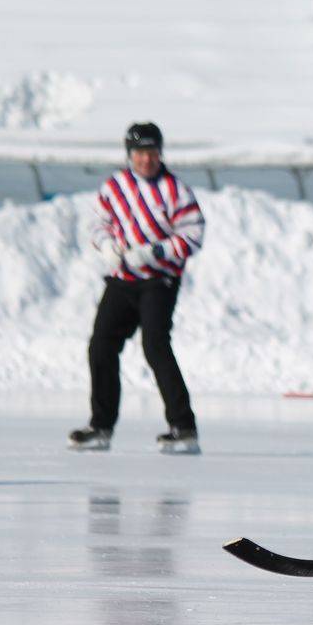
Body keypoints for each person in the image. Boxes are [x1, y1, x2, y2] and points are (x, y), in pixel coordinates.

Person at [68, 122, 205, 454]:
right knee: (101, 345)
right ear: (130, 155)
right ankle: (101, 426)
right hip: (123, 279)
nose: (147, 159)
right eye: (140, 153)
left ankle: (183, 426)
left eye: (152, 152)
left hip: (159, 281)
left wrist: (156, 251)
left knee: (155, 345)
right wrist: (107, 246)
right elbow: (97, 223)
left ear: (160, 153)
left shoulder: (175, 190)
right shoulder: (115, 187)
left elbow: (193, 234)